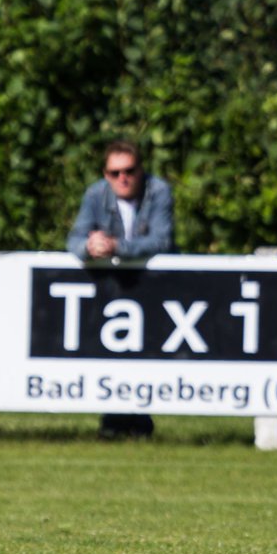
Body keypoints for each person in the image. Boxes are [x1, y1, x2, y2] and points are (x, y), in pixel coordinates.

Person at [67, 139, 175, 439]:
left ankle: (139, 420)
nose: (122, 178)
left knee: (145, 352)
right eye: (115, 173)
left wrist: (116, 246)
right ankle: (113, 419)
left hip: (153, 287)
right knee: (111, 351)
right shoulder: (95, 194)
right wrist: (90, 246)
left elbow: (161, 241)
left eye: (129, 171)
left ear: (141, 171)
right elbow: (73, 239)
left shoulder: (159, 191)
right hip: (112, 290)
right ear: (105, 174)